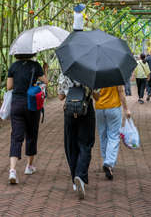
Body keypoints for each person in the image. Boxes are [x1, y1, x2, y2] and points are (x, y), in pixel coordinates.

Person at [7, 53, 48, 184]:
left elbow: (9, 87)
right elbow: (45, 82)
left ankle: (12, 170)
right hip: (31, 104)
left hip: (17, 104)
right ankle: (29, 167)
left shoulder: (13, 67)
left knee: (16, 137)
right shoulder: (35, 66)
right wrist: (44, 70)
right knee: (31, 134)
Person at [58, 73, 98, 200]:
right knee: (86, 144)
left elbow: (60, 96)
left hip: (69, 111)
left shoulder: (65, 73)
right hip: (86, 110)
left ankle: (75, 178)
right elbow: (97, 96)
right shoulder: (91, 72)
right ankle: (80, 175)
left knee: (71, 145)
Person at [95, 86, 131, 180]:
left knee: (103, 136)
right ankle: (109, 163)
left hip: (99, 108)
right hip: (113, 107)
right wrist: (126, 109)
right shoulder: (116, 73)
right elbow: (121, 91)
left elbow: (93, 94)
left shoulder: (96, 72)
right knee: (114, 136)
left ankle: (106, 161)